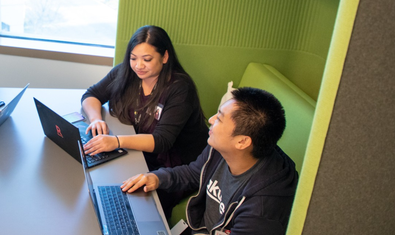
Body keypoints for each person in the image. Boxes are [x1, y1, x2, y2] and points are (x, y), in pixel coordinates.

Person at [121, 87, 298, 235]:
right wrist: (157, 178)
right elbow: (194, 172)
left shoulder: (262, 210)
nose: (211, 120)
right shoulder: (222, 148)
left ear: (242, 141)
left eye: (219, 118)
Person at [81, 25, 209, 217]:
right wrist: (96, 119)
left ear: (165, 57)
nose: (138, 65)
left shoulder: (180, 88)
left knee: (129, 205)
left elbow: (162, 141)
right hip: (141, 154)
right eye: (133, 58)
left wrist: (116, 142)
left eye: (147, 59)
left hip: (176, 167)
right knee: (97, 183)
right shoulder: (126, 73)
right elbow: (92, 95)